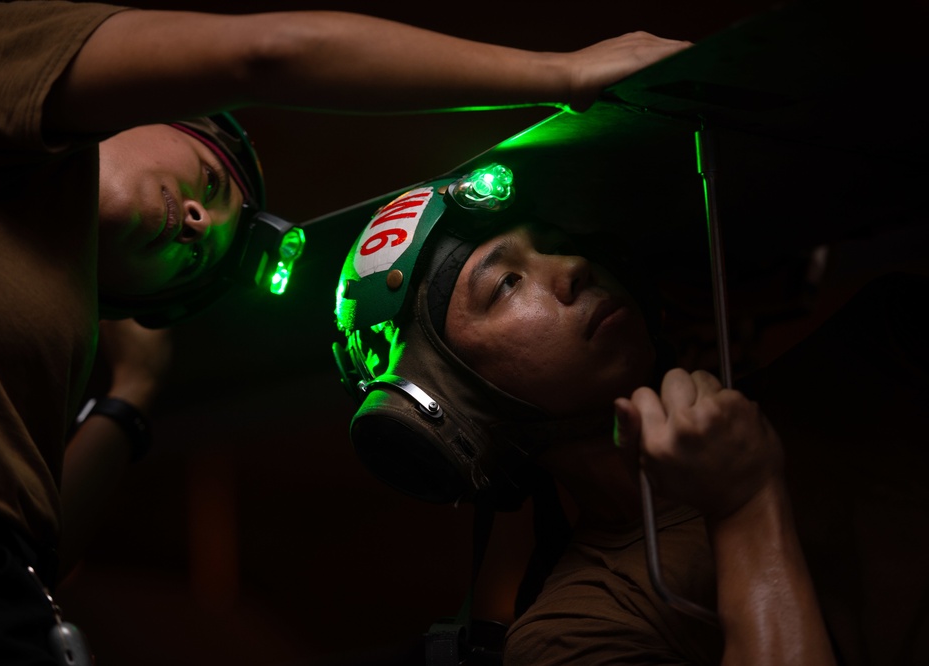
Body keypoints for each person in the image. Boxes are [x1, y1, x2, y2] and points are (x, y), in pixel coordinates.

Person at [0, 3, 692, 663]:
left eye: (192, 252)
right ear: (151, 111)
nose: (196, 220)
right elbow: (266, 53)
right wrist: (565, 73)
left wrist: (131, 395)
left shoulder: (38, 340)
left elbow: (38, 556)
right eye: (208, 182)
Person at [332, 163, 928, 663]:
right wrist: (746, 505)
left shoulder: (882, 350)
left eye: (554, 242)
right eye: (508, 282)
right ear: (449, 405)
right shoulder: (579, 630)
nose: (571, 268)